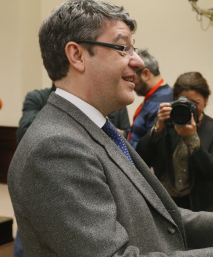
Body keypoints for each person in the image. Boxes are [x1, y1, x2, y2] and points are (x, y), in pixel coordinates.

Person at [8, 0, 213, 256]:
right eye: (123, 48)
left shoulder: (94, 128)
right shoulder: (56, 147)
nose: (139, 60)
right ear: (78, 55)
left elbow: (158, 216)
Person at [13, 82, 130, 257]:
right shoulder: (37, 98)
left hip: (101, 184)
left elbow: (122, 139)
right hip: (45, 188)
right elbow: (26, 133)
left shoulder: (114, 104)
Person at [137, 71, 213, 212]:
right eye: (184, 103)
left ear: (206, 99)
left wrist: (191, 138)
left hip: (199, 207)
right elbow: (141, 158)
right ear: (175, 100)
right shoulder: (166, 123)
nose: (190, 109)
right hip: (166, 204)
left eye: (195, 103)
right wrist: (157, 128)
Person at [126, 49, 173, 148]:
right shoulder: (157, 97)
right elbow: (142, 133)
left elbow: (151, 146)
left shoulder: (161, 103)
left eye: (132, 78)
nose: (132, 84)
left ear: (146, 74)